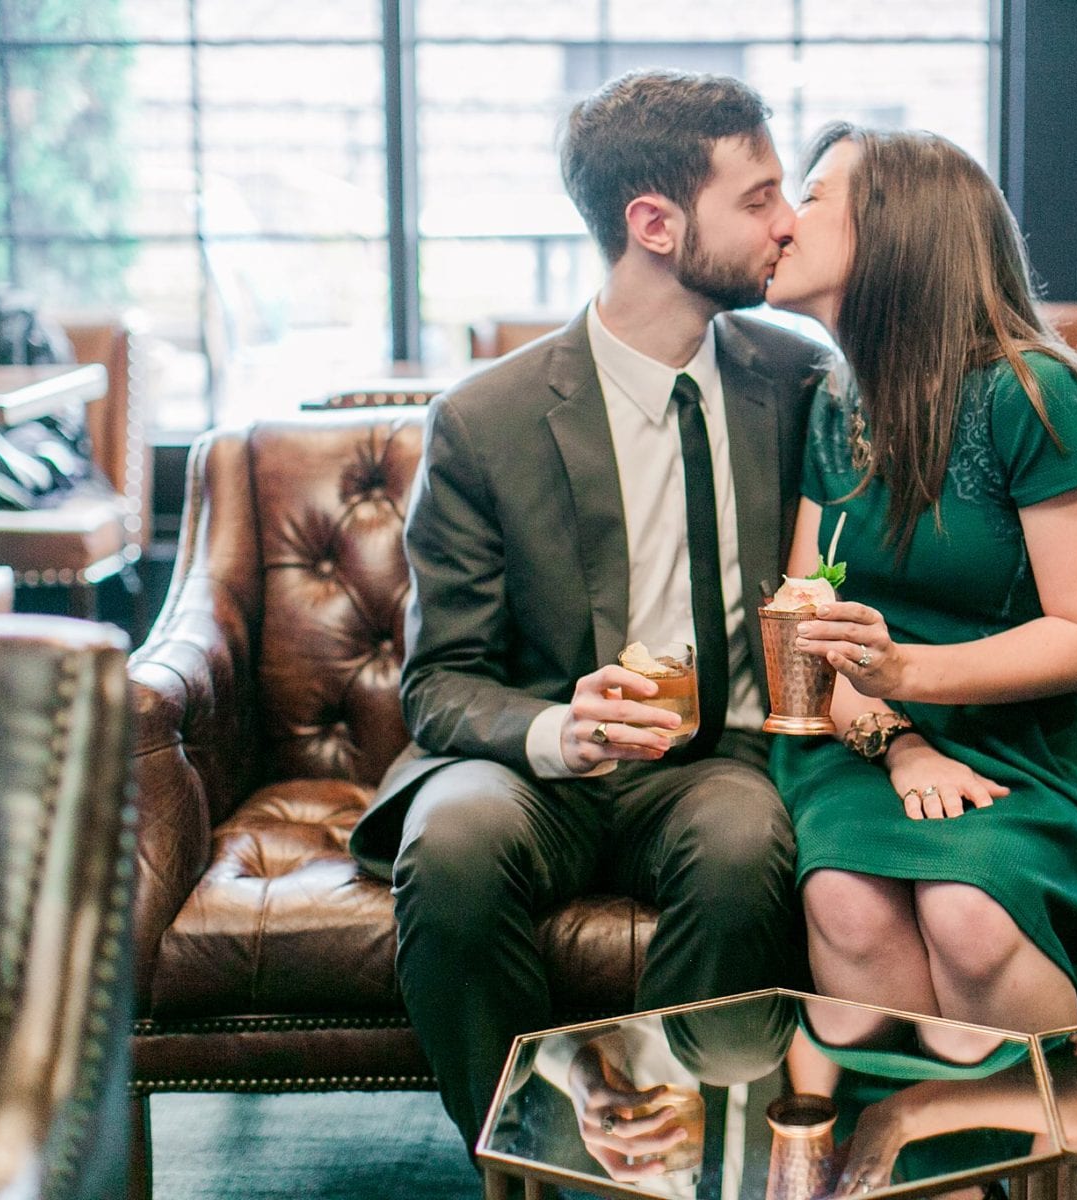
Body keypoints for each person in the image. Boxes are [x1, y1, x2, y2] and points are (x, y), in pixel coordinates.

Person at [346, 69, 830, 1153]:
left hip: (718, 766)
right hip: (534, 763)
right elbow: (439, 683)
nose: (785, 224)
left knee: (748, 839)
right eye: (756, 199)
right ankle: (541, 1161)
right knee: (455, 839)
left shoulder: (797, 382)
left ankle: (679, 1152)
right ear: (653, 223)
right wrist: (562, 728)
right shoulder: (485, 420)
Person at [762, 123, 1077, 1036]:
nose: (785, 221)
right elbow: (806, 636)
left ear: (897, 229)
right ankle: (903, 1164)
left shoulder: (1032, 397)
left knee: (971, 914)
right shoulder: (834, 400)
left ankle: (1030, 1164)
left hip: (1029, 744)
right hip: (865, 741)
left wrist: (907, 672)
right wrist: (903, 743)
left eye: (814, 195)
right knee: (844, 900)